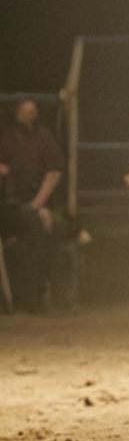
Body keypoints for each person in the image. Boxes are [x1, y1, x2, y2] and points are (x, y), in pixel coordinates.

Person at [0, 98, 65, 311]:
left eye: (33, 111)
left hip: (34, 203)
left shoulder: (43, 136)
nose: (31, 115)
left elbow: (54, 173)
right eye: (26, 111)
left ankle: (40, 295)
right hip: (9, 204)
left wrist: (36, 205)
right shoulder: (7, 136)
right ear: (17, 113)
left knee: (43, 225)